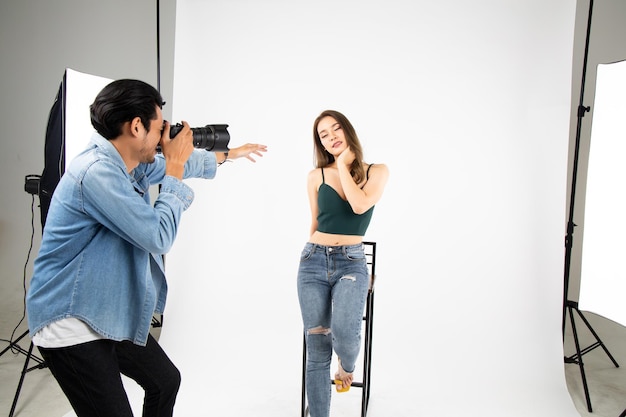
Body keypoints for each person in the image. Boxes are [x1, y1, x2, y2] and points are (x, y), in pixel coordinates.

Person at [26, 79, 266, 417]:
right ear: (136, 126)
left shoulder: (125, 161)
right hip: (69, 321)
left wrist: (230, 154)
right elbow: (157, 235)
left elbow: (176, 161)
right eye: (157, 129)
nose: (161, 138)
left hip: (102, 310)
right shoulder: (96, 173)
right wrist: (175, 169)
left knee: (165, 381)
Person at [297, 109, 389, 417]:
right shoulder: (315, 177)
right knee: (317, 346)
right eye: (324, 135)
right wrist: (311, 255)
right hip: (312, 262)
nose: (332, 137)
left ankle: (346, 366)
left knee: (345, 332)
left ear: (347, 132)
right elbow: (315, 222)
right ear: (320, 143)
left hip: (351, 263)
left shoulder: (377, 170)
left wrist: (342, 165)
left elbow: (360, 204)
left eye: (336, 129)